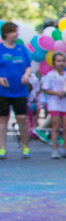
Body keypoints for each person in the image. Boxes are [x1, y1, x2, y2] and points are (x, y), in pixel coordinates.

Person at [0, 21, 33, 159]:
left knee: (22, 118)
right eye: (14, 31)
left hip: (20, 90)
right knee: (2, 119)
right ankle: (2, 149)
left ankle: (25, 147)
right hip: (3, 91)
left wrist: (26, 75)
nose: (17, 34)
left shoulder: (21, 49)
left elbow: (29, 66)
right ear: (7, 33)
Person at [40, 52, 66, 158]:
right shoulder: (50, 75)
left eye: (62, 61)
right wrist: (56, 93)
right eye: (58, 61)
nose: (61, 63)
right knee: (56, 126)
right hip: (54, 103)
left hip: (64, 104)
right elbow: (45, 89)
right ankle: (54, 149)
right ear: (54, 63)